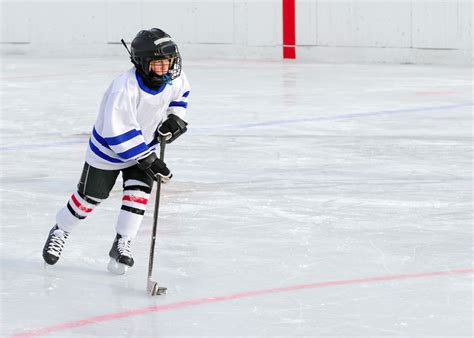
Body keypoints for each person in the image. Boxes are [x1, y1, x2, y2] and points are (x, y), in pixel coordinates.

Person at [42, 28, 190, 274]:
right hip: (108, 153)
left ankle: (123, 242)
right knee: (89, 200)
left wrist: (175, 119)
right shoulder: (124, 87)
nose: (167, 68)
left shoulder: (174, 77)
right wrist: (148, 159)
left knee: (138, 196)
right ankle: (61, 229)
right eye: (159, 63)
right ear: (143, 63)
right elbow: (118, 132)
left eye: (169, 62)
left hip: (144, 148)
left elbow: (181, 96)